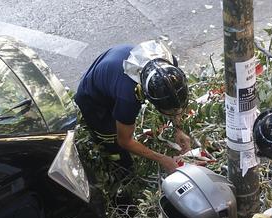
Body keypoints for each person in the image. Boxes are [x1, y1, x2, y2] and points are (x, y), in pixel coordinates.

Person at [74, 41, 191, 174]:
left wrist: (179, 129)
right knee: (114, 145)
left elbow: (175, 102)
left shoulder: (169, 69)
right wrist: (162, 159)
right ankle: (122, 172)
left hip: (111, 71)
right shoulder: (128, 96)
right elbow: (124, 141)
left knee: (122, 118)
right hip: (92, 99)